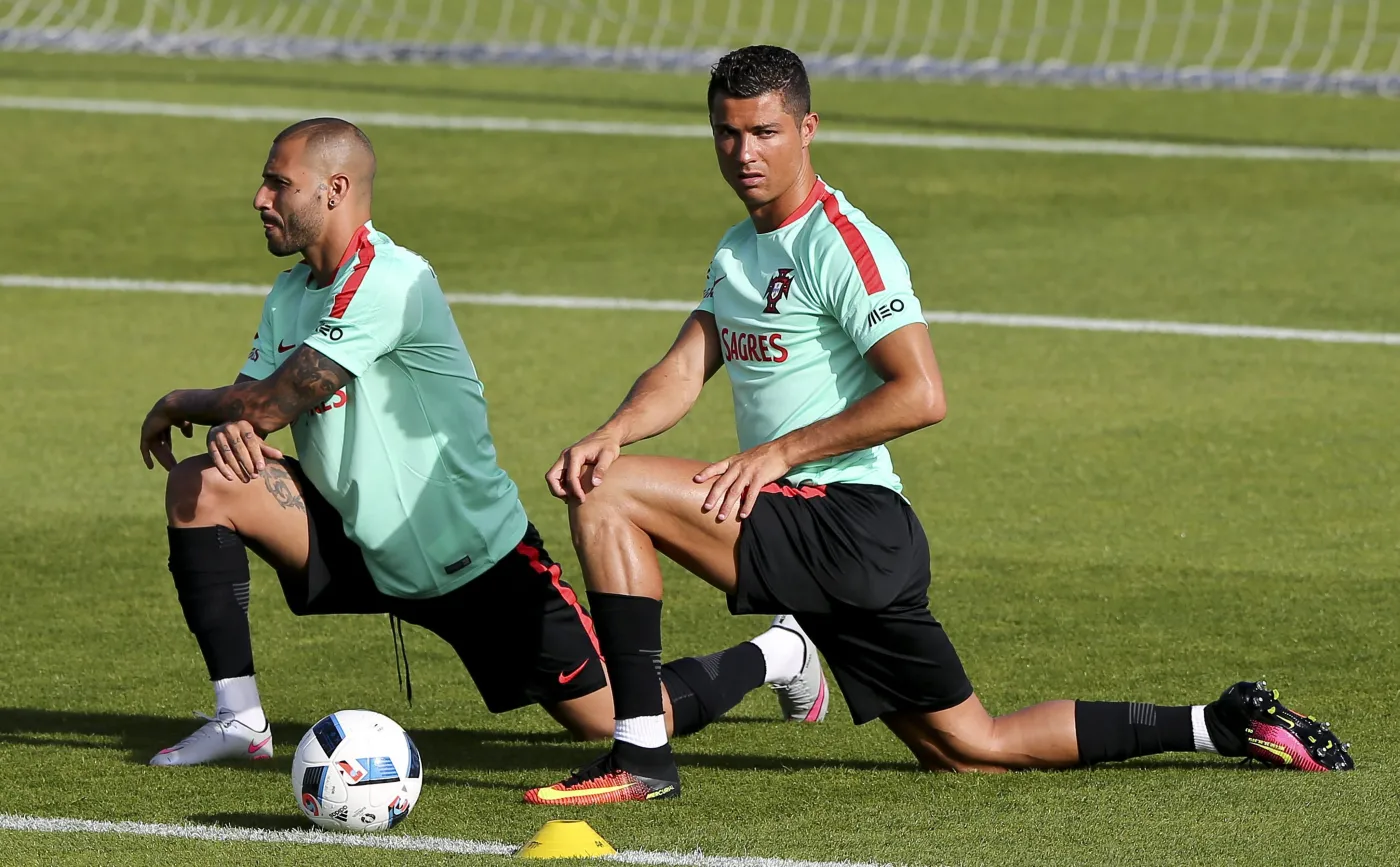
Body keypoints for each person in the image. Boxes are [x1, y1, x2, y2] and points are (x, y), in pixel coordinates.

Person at [523, 45, 1354, 805]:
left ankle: (640, 756)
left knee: (611, 494)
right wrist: (614, 429)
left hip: (847, 521)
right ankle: (1221, 722)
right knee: (969, 747)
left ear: (807, 129)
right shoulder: (739, 250)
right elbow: (683, 367)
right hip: (828, 532)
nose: (745, 153)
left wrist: (775, 454)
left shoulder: (843, 244)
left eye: (766, 132)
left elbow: (920, 393)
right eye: (727, 134)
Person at [137, 117, 829, 767]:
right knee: (202, 484)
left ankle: (779, 651)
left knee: (614, 715)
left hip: (474, 560)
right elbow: (246, 409)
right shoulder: (290, 293)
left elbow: (266, 401)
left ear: (335, 189)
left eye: (277, 183)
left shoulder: (386, 280)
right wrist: (230, 424)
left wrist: (179, 402)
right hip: (357, 541)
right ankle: (240, 719)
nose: (259, 198)